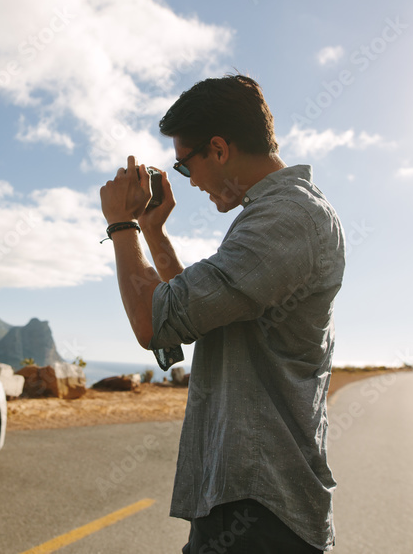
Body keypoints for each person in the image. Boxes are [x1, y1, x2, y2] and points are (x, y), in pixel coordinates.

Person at [99, 74, 345, 553]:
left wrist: (121, 224)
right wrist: (153, 230)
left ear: (218, 148)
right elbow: (196, 312)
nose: (190, 183)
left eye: (186, 168)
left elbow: (155, 322)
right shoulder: (274, 217)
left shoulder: (286, 219)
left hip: (261, 508)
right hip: (243, 500)